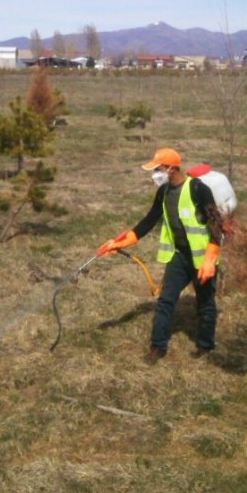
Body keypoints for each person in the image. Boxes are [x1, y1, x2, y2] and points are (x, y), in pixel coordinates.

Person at [97, 147, 225, 363]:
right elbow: (148, 221)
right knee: (166, 300)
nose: (154, 173)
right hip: (179, 256)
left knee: (205, 303)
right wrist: (119, 242)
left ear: (172, 168)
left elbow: (217, 224)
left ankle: (205, 345)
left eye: (158, 169)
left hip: (202, 258)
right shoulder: (163, 192)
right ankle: (158, 347)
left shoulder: (197, 189)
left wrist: (210, 259)